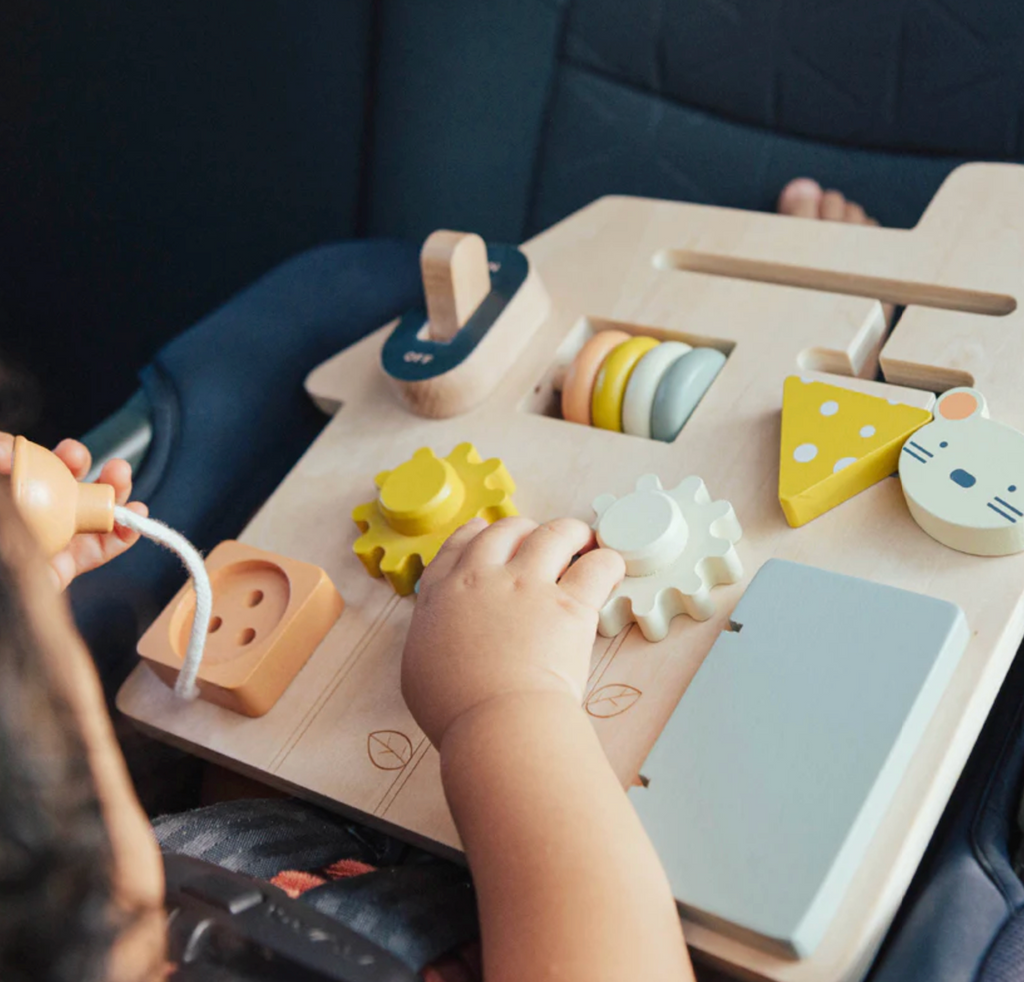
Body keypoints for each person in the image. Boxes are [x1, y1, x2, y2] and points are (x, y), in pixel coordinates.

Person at [0, 180, 881, 982]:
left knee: (251, 762)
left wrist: (27, 594)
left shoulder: (97, 911)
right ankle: (858, 312)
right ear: (66, 860)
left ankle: (813, 294)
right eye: (48, 679)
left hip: (271, 863)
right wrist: (504, 707)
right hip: (581, 916)